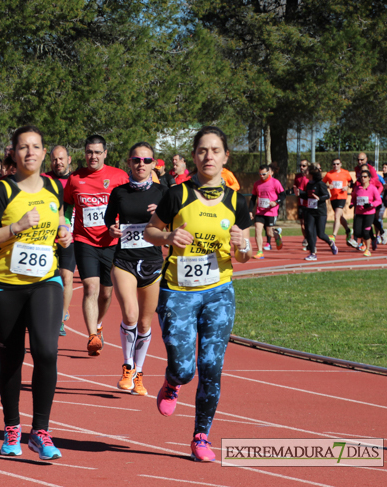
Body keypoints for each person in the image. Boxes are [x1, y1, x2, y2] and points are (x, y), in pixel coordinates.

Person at [144, 126, 252, 462]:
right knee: (185, 368)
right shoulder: (176, 194)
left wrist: (242, 245)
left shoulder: (237, 201)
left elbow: (248, 253)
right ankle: (173, 381)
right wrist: (168, 237)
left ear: (225, 157)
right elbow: (150, 232)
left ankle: (201, 436)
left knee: (211, 365)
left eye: (215, 150)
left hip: (219, 291)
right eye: (203, 151)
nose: (209, 157)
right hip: (178, 292)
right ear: (194, 156)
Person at [0, 125, 72, 460]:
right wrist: (15, 228)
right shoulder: (1, 191)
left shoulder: (55, 187)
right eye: (23, 147)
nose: (30, 152)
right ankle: (12, 425)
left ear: (45, 153)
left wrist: (64, 232)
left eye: (36, 147)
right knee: (11, 357)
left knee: (46, 351)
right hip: (4, 285)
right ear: (13, 153)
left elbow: (59, 219)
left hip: (45, 281)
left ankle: (40, 430)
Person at [104, 142, 166, 396]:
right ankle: (127, 367)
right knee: (129, 314)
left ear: (153, 164)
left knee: (144, 322)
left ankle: (139, 371)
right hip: (124, 260)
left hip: (152, 262)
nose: (141, 164)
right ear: (129, 163)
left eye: (146, 160)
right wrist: (112, 229)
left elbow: (178, 220)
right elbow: (109, 219)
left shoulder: (164, 193)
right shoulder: (119, 193)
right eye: (136, 160)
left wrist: (162, 215)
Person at [64, 135, 129, 356]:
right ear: (85, 153)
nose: (93, 156)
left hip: (112, 242)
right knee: (91, 288)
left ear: (105, 154)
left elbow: (128, 206)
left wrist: (120, 223)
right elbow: (66, 205)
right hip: (84, 241)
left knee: (106, 293)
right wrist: (64, 225)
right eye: (90, 152)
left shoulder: (119, 177)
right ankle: (92, 336)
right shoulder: (75, 178)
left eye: (97, 152)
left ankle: (99, 324)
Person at [44, 145, 75, 336]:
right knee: (48, 279)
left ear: (69, 159)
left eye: (61, 159)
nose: (58, 162)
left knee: (67, 276)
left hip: (68, 235)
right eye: (55, 159)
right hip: (46, 237)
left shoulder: (76, 180)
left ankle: (61, 318)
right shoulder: (44, 180)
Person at [299, 165, 337, 261]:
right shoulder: (309, 184)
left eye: (307, 171)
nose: (305, 172)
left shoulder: (320, 184)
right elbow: (308, 196)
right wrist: (299, 193)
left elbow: (327, 195)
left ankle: (331, 243)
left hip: (320, 212)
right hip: (310, 211)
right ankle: (312, 253)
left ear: (311, 174)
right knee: (310, 232)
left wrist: (319, 198)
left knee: (320, 234)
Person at [250, 165, 285, 259]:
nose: (261, 176)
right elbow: (253, 198)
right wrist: (250, 211)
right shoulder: (257, 184)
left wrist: (276, 202)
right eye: (260, 174)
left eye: (264, 174)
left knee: (269, 233)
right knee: (257, 230)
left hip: (271, 211)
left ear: (269, 172)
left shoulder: (275, 182)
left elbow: (282, 195)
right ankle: (260, 251)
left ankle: (276, 232)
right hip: (259, 211)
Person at [323, 158, 355, 246]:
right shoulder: (329, 174)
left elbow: (351, 182)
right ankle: (348, 230)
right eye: (334, 164)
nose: (335, 166)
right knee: (339, 217)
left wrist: (347, 187)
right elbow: (322, 184)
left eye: (337, 164)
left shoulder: (345, 173)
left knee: (336, 216)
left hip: (342, 197)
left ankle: (333, 235)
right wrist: (328, 186)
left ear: (340, 164)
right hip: (333, 198)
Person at [351, 170, 382, 257]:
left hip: (369, 213)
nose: (363, 178)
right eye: (361, 177)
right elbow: (353, 198)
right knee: (357, 233)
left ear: (369, 178)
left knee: (366, 232)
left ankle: (368, 249)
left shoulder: (373, 188)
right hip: (359, 213)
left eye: (365, 177)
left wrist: (371, 204)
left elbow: (379, 200)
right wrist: (351, 204)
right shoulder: (357, 188)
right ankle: (372, 240)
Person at [292, 160, 311, 250]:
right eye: (300, 165)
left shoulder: (310, 177)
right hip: (300, 203)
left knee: (308, 223)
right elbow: (295, 187)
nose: (301, 167)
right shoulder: (297, 176)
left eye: (304, 165)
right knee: (302, 223)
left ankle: (309, 239)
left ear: (307, 166)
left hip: (309, 203)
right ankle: (306, 238)